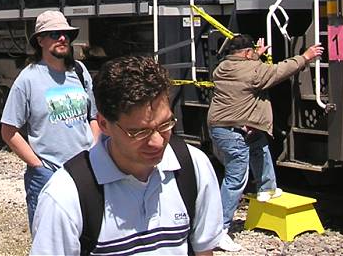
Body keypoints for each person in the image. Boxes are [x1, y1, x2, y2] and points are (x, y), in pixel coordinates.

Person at [31, 56, 223, 256]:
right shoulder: (65, 195)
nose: (157, 142)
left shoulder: (193, 167)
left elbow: (203, 250)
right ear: (104, 125)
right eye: (139, 132)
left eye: (165, 125)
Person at [207, 34, 324, 252]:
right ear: (246, 53)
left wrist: (255, 56)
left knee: (259, 143)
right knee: (235, 180)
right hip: (233, 131)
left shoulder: (223, 67)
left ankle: (266, 188)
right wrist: (305, 57)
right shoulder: (253, 71)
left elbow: (250, 72)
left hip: (226, 126)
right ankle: (218, 231)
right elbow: (278, 71)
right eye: (252, 51)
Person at [0, 10, 99, 230]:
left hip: (85, 173)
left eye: (66, 34)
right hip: (48, 176)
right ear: (40, 41)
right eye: (54, 34)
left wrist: (94, 149)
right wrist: (38, 167)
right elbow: (8, 131)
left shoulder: (81, 72)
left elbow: (94, 117)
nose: (62, 38)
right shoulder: (27, 79)